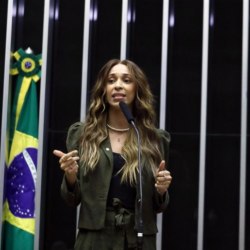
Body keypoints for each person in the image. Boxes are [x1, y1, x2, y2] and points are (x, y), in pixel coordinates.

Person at [53, 59, 172, 250]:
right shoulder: (82, 134)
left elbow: (159, 206)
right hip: (94, 240)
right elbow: (71, 199)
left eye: (126, 80)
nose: (118, 85)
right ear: (104, 89)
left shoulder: (153, 139)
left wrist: (161, 190)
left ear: (137, 89)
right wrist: (70, 175)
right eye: (111, 80)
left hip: (138, 239)